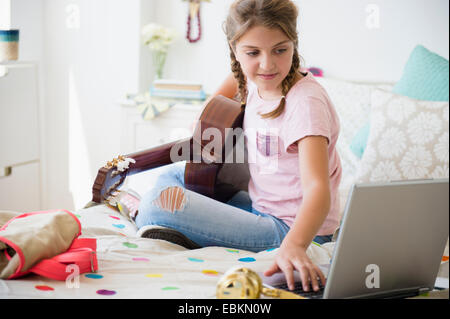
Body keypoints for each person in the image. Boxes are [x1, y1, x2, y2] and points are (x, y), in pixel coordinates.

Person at [135, 0, 342, 293]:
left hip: (294, 229)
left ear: (294, 44)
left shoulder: (305, 103)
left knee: (158, 201)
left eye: (280, 50)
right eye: (253, 53)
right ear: (235, 50)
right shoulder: (251, 77)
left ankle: (182, 230)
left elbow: (318, 189)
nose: (268, 64)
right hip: (260, 205)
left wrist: (295, 246)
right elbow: (215, 105)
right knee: (170, 178)